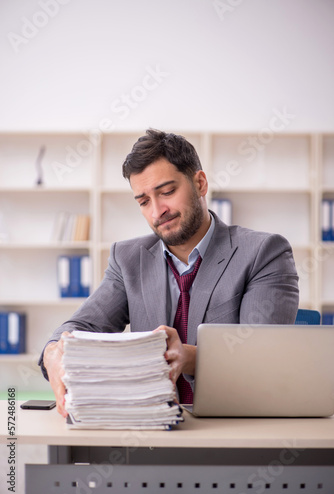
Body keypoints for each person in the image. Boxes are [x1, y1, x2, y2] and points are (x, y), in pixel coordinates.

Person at [39, 129, 299, 416]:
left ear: (200, 183)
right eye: (143, 201)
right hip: (147, 433)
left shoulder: (264, 252)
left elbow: (263, 358)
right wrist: (53, 351)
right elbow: (83, 326)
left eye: (167, 192)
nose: (156, 211)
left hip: (235, 428)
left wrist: (189, 358)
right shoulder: (127, 259)